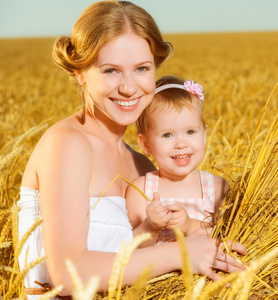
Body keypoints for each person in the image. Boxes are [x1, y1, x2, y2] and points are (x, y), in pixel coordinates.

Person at [17, 1, 246, 298]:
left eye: (141, 68)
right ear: (80, 73)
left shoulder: (144, 167)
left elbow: (147, 262)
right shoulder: (68, 144)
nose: (129, 87)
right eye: (111, 71)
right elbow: (69, 275)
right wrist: (181, 254)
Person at [126, 75, 229, 246]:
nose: (181, 144)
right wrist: (150, 227)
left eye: (190, 132)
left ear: (204, 135)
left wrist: (190, 226)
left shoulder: (218, 188)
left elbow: (227, 237)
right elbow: (129, 248)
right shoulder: (140, 190)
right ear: (146, 145)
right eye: (167, 135)